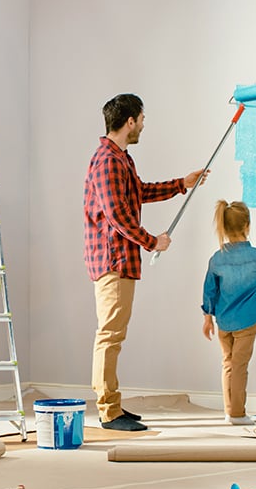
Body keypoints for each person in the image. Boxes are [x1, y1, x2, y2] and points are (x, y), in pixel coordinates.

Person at [84, 93, 207, 432]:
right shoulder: (107, 160)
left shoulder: (120, 158)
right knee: (109, 335)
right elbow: (119, 216)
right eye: (141, 120)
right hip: (112, 261)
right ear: (130, 121)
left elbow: (138, 193)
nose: (143, 126)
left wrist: (182, 184)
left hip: (121, 261)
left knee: (114, 335)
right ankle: (108, 412)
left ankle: (114, 405)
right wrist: (154, 242)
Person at [201, 200, 256, 425]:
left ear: (224, 228)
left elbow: (209, 291)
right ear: (247, 225)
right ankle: (237, 414)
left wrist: (207, 318)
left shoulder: (217, 258)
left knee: (227, 364)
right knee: (239, 366)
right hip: (247, 321)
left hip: (223, 322)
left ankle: (230, 412)